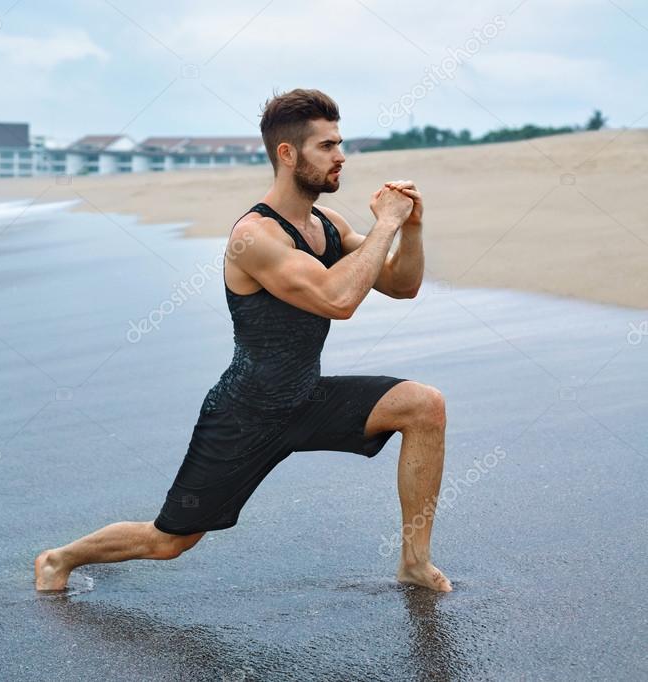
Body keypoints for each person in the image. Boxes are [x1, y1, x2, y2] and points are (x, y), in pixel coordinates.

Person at [35, 88, 451, 593]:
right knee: (170, 541)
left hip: (306, 397)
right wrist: (386, 222)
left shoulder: (327, 225)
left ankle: (413, 563)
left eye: (341, 143)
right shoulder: (253, 237)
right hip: (245, 413)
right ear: (287, 154)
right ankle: (59, 559)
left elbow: (401, 285)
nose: (341, 156)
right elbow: (338, 300)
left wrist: (412, 229)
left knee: (424, 406)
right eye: (327, 146)